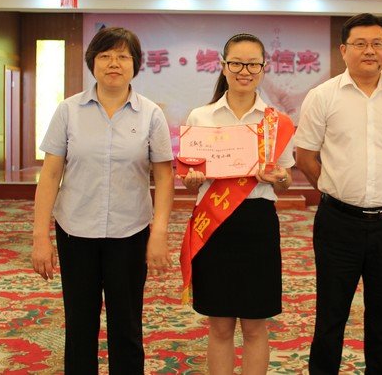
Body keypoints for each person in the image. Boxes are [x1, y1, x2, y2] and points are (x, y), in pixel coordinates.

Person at [31, 27, 175, 374]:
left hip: (130, 233)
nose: (114, 63)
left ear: (135, 64)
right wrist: (39, 236)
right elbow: (50, 175)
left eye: (123, 56)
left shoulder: (150, 114)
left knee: (127, 326)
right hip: (76, 232)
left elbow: (164, 177)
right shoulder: (68, 111)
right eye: (105, 56)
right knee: (80, 325)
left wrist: (158, 232)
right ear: (92, 62)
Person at [295, 13, 382, 374]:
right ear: (344, 50)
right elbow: (305, 157)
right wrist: (335, 187)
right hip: (337, 223)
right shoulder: (322, 96)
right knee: (330, 316)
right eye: (360, 43)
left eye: (377, 43)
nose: (369, 50)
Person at [179, 33, 295, 375]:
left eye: (253, 64)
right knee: (219, 325)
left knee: (256, 325)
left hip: (258, 223)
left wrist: (278, 177)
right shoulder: (201, 117)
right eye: (237, 64)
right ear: (223, 65)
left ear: (264, 67)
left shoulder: (276, 121)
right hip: (214, 225)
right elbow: (190, 176)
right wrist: (191, 181)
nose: (245, 71)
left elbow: (286, 179)